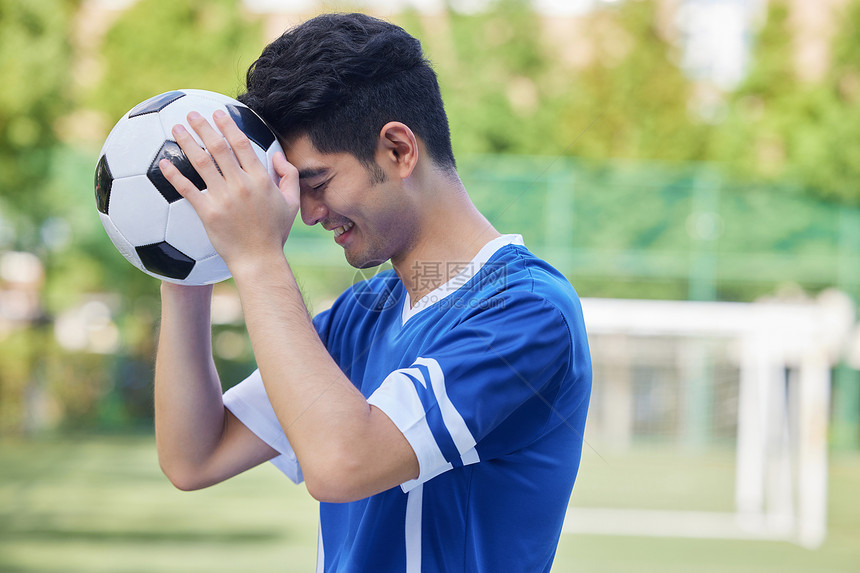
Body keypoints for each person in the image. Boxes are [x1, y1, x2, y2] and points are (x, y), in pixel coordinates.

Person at [154, 12, 591, 573]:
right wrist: (185, 262)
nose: (307, 214)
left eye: (316, 183)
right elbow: (194, 456)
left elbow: (342, 463)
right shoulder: (362, 313)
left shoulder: (528, 311)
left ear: (398, 150)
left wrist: (258, 256)